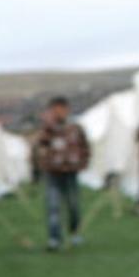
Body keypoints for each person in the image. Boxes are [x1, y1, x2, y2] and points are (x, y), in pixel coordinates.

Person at [32, 96, 90, 250]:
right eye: (55, 110)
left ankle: (75, 233)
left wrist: (83, 163)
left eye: (61, 109)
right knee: (53, 205)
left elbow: (85, 147)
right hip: (53, 172)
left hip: (71, 171)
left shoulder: (76, 128)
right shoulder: (47, 129)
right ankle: (54, 238)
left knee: (73, 204)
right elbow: (38, 146)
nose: (59, 113)